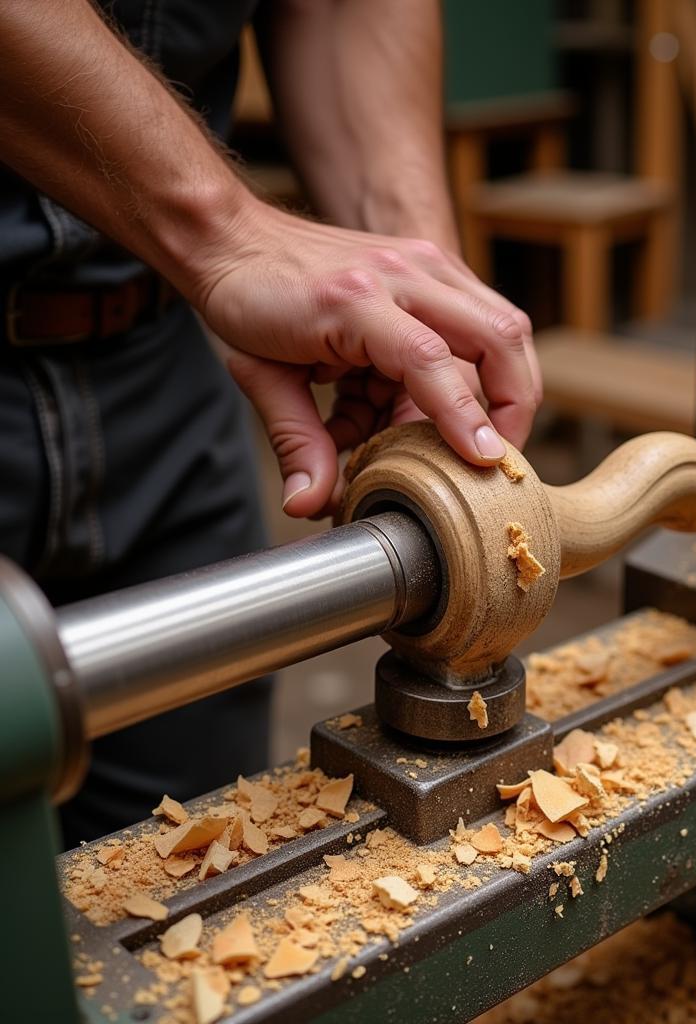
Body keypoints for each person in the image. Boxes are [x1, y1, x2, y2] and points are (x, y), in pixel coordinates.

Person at [0, 0, 540, 844]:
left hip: (156, 361)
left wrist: (416, 306)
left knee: (192, 867)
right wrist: (227, 234)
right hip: (182, 266)